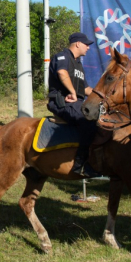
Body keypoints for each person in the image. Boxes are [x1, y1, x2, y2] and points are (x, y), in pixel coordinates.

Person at [47, 32, 101, 178]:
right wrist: (72, 92)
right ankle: (81, 164)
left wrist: (103, 95)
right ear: (78, 43)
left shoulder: (78, 65)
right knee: (88, 122)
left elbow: (85, 89)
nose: (88, 48)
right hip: (62, 102)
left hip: (75, 103)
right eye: (86, 45)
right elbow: (62, 73)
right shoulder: (62, 57)